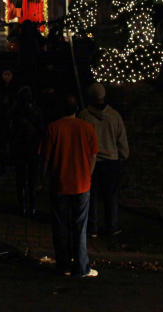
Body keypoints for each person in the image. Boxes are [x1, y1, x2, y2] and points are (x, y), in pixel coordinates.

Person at [41, 93, 99, 278]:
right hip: (81, 184)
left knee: (60, 226)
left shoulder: (53, 128)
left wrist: (44, 180)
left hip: (60, 184)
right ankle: (81, 267)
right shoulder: (87, 128)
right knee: (80, 226)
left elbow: (46, 158)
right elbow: (93, 156)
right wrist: (87, 175)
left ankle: (63, 265)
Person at [79, 82, 129, 237]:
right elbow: (122, 140)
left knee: (92, 196)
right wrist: (123, 155)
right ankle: (111, 226)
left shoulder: (84, 116)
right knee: (111, 196)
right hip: (111, 161)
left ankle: (92, 227)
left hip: (91, 162)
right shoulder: (114, 116)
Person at [8, 86, 44, 217]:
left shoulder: (15, 111)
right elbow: (41, 129)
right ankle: (32, 206)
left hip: (20, 148)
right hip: (33, 148)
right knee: (32, 178)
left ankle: (22, 205)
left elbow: (11, 130)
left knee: (21, 179)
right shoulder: (36, 111)